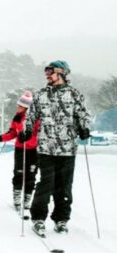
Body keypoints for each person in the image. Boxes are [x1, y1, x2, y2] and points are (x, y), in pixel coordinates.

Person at [20, 60, 91, 236]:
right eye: (46, 73)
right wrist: (27, 130)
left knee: (64, 186)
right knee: (46, 184)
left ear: (62, 73)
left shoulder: (74, 94)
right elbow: (31, 116)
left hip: (67, 149)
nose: (47, 76)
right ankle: (38, 218)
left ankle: (61, 219)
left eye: (50, 73)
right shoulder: (41, 94)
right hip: (46, 148)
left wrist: (83, 127)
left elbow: (82, 114)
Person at [0, 91, 39, 210]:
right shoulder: (17, 118)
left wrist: (29, 137)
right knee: (18, 173)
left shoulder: (35, 118)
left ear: (26, 107)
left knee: (30, 175)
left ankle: (27, 199)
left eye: (20, 105)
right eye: (18, 104)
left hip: (33, 150)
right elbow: (12, 132)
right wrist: (0, 138)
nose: (17, 107)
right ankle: (17, 198)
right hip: (20, 149)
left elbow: (40, 133)